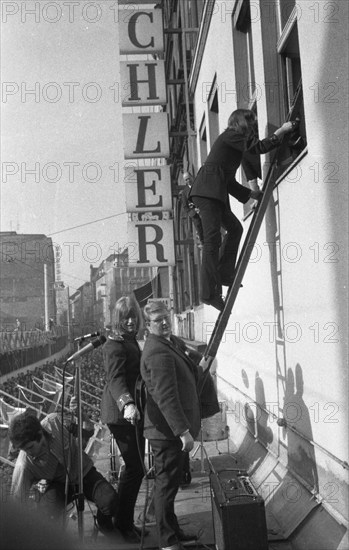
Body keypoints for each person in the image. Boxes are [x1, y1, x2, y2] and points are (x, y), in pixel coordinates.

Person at [189, 109, 296, 311]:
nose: (252, 127)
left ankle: (225, 273)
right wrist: (282, 130)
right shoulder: (232, 135)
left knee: (235, 229)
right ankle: (208, 294)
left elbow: (228, 180)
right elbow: (259, 148)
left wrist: (251, 195)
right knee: (212, 241)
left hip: (214, 192)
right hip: (207, 193)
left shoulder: (232, 144)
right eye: (250, 122)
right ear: (240, 123)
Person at [141, 301, 210, 550]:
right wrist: (183, 432)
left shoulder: (167, 343)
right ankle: (167, 541)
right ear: (148, 325)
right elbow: (166, 396)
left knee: (169, 486)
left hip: (170, 431)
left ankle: (174, 533)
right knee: (165, 487)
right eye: (158, 320)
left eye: (166, 317)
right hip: (167, 432)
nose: (164, 322)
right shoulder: (158, 352)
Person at [8, 411, 119, 537]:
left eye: (30, 447)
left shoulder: (56, 421)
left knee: (110, 500)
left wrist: (81, 415)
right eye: (24, 450)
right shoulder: (23, 465)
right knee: (45, 514)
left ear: (40, 434)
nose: (28, 453)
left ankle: (104, 524)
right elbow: (17, 502)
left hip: (84, 472)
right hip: (59, 484)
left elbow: (86, 431)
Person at [100, 295, 146, 543]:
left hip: (131, 414)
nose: (130, 321)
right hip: (121, 415)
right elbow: (115, 379)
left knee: (135, 468)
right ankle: (117, 520)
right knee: (135, 468)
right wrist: (127, 403)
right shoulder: (114, 345)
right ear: (118, 319)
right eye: (125, 317)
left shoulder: (128, 341)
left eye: (133, 316)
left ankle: (120, 519)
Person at [179, 171, 204, 247]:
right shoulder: (184, 192)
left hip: (204, 208)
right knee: (199, 227)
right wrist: (193, 211)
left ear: (192, 177)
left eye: (189, 178)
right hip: (195, 214)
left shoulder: (199, 185)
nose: (188, 181)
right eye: (186, 180)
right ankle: (203, 242)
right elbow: (185, 207)